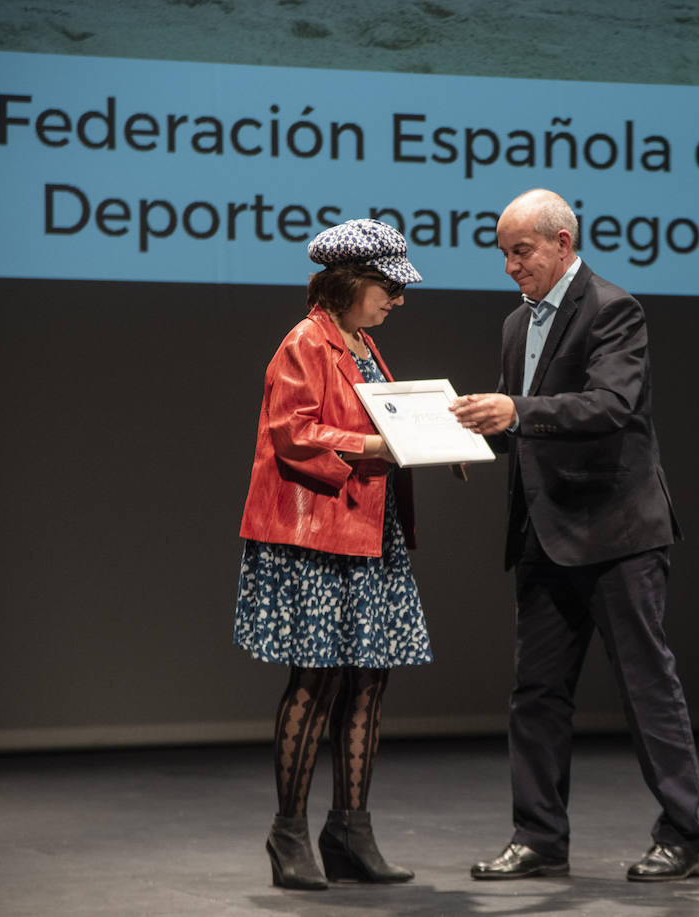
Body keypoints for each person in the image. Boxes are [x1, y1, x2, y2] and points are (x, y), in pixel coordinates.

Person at [450, 189, 699, 882]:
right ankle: (538, 835)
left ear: (564, 243)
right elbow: (526, 426)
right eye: (503, 253)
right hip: (545, 534)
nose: (510, 266)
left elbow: (609, 405)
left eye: (521, 251)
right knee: (535, 692)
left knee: (645, 686)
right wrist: (467, 435)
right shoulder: (516, 325)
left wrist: (514, 409)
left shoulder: (613, 308)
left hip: (617, 532)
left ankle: (684, 833)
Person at [233, 219, 430, 891]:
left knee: (369, 678)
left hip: (371, 528)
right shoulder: (304, 341)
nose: (396, 300)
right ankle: (287, 833)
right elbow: (294, 433)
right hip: (319, 533)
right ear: (350, 282)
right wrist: (379, 446)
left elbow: (391, 417)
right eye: (387, 287)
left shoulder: (362, 342)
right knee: (315, 680)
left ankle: (350, 830)